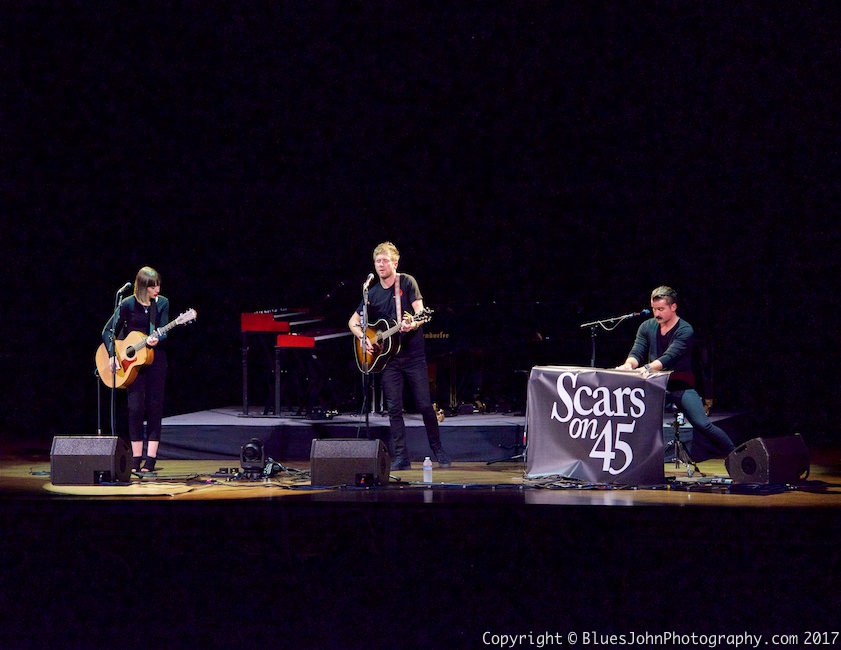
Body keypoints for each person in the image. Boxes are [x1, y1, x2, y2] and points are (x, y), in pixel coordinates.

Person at [348, 242, 451, 470]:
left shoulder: (406, 282)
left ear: (395, 263)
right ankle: (401, 457)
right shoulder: (371, 293)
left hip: (413, 356)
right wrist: (363, 337)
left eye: (385, 260)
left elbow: (421, 314)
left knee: (424, 405)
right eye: (378, 261)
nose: (381, 265)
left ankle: (438, 449)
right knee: (394, 408)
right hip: (388, 360)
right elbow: (353, 322)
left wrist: (412, 324)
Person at [616, 286, 735, 462]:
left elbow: (669, 357)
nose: (656, 313)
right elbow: (637, 351)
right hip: (656, 385)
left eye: (661, 309)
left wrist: (646, 369)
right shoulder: (646, 326)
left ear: (673, 307)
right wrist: (628, 365)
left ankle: (736, 454)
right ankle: (632, 461)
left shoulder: (685, 330)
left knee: (702, 424)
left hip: (680, 385)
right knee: (636, 419)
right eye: (654, 309)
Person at [101, 266, 169, 473]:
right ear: (141, 287)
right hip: (132, 364)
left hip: (156, 360)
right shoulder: (127, 303)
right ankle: (136, 458)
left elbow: (163, 329)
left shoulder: (162, 303)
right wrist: (113, 354)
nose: (156, 289)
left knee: (155, 408)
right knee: (135, 409)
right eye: (151, 286)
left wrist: (158, 337)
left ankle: (151, 460)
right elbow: (107, 331)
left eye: (157, 285)